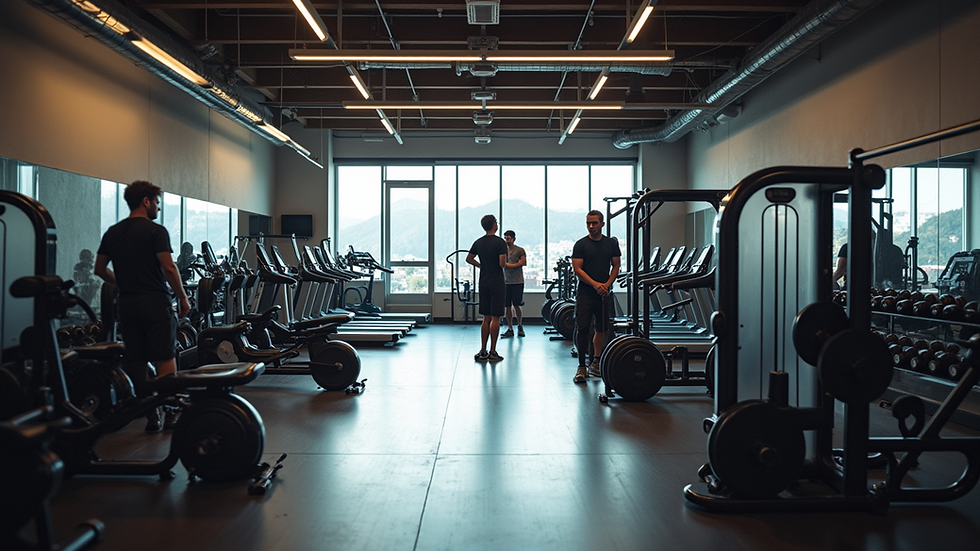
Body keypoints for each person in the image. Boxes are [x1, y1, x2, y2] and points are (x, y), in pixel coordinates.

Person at [94, 180, 191, 432]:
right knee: (164, 357)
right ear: (146, 201)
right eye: (157, 202)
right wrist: (182, 296)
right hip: (155, 302)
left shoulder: (112, 232)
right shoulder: (156, 231)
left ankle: (151, 414)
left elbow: (100, 269)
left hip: (127, 304)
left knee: (136, 360)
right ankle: (170, 411)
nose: (158, 207)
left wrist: (123, 283)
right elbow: (168, 267)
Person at [571, 210, 621, 383]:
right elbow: (578, 269)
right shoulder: (580, 245)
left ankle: (596, 361)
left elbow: (616, 266)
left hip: (604, 293)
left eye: (594, 223)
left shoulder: (611, 244)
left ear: (602, 224)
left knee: (601, 328)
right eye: (588, 223)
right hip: (585, 293)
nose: (591, 226)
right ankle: (581, 366)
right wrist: (595, 284)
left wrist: (606, 284)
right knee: (583, 328)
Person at [466, 214, 508, 362]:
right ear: (494, 225)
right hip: (497, 282)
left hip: (483, 281)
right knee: (496, 317)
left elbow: (469, 258)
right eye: (496, 222)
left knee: (486, 318)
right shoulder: (500, 242)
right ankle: (493, 351)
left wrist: (481, 265)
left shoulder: (478, 242)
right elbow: (502, 264)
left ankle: (482, 350)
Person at [500, 230, 527, 338]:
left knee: (517, 304)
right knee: (507, 306)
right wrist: (512, 264)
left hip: (517, 281)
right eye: (506, 238)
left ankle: (520, 325)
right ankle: (510, 328)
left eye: (509, 238)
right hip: (506, 281)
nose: (507, 240)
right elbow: (500, 264)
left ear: (513, 239)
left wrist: (507, 265)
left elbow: (523, 262)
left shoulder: (520, 250)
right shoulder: (503, 250)